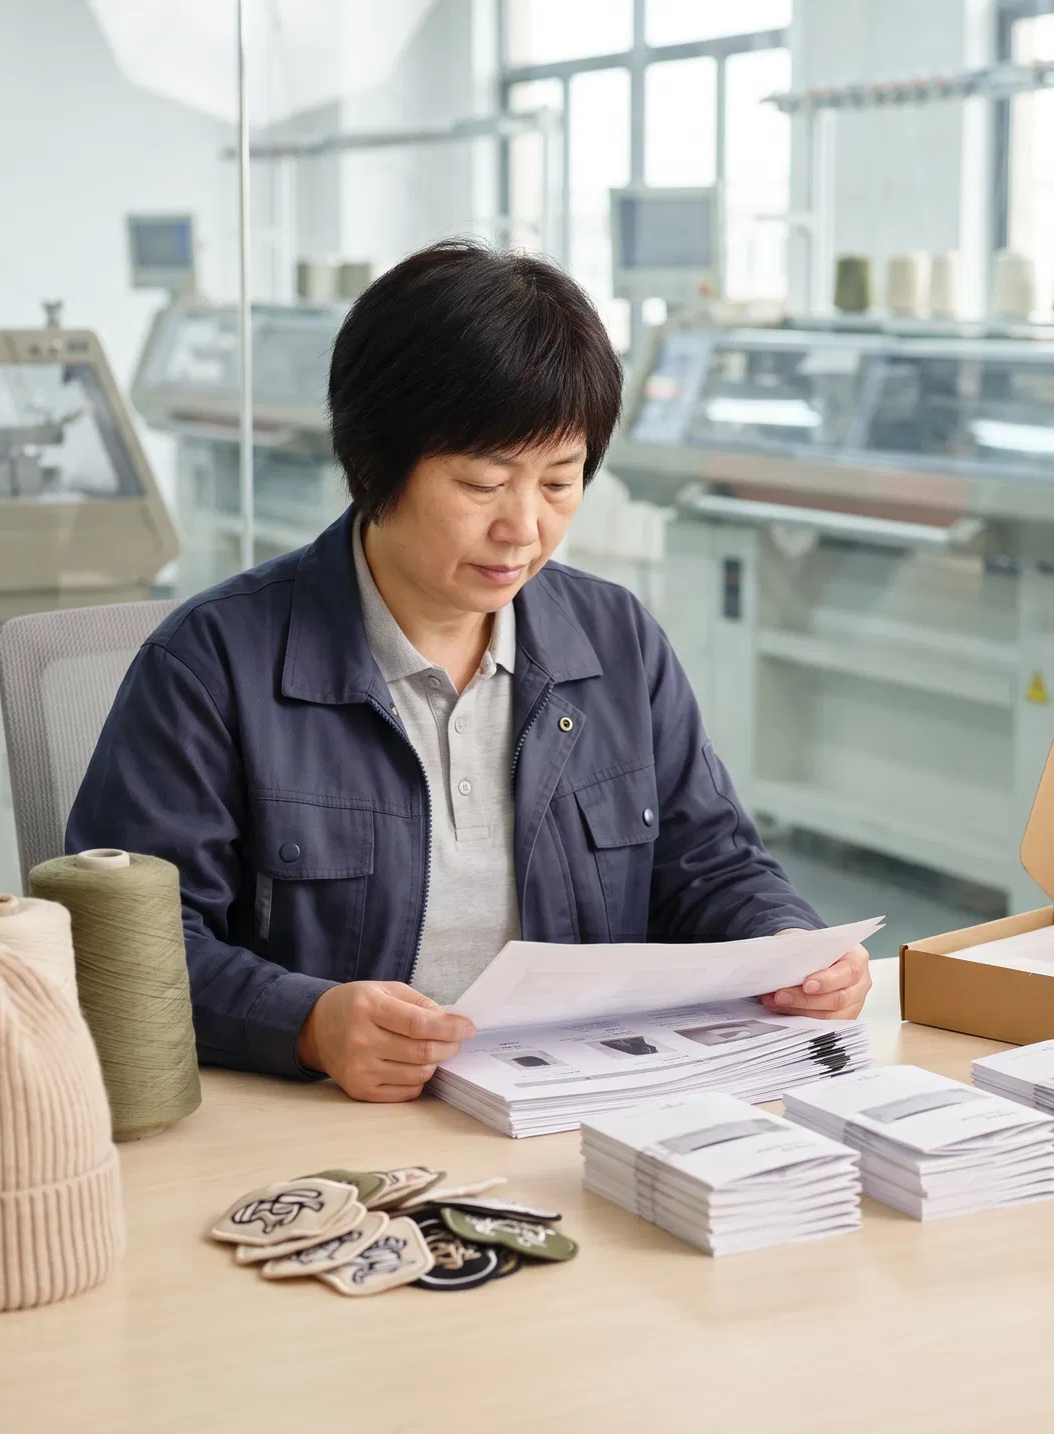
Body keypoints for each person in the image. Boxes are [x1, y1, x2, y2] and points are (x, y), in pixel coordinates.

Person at [67, 240, 871, 1103]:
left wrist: (792, 948)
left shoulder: (616, 641)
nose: (524, 528)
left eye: (560, 482)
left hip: (577, 1109)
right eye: (484, 484)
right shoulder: (214, 665)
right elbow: (125, 947)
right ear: (376, 463)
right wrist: (305, 1020)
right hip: (332, 1126)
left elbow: (712, 865)